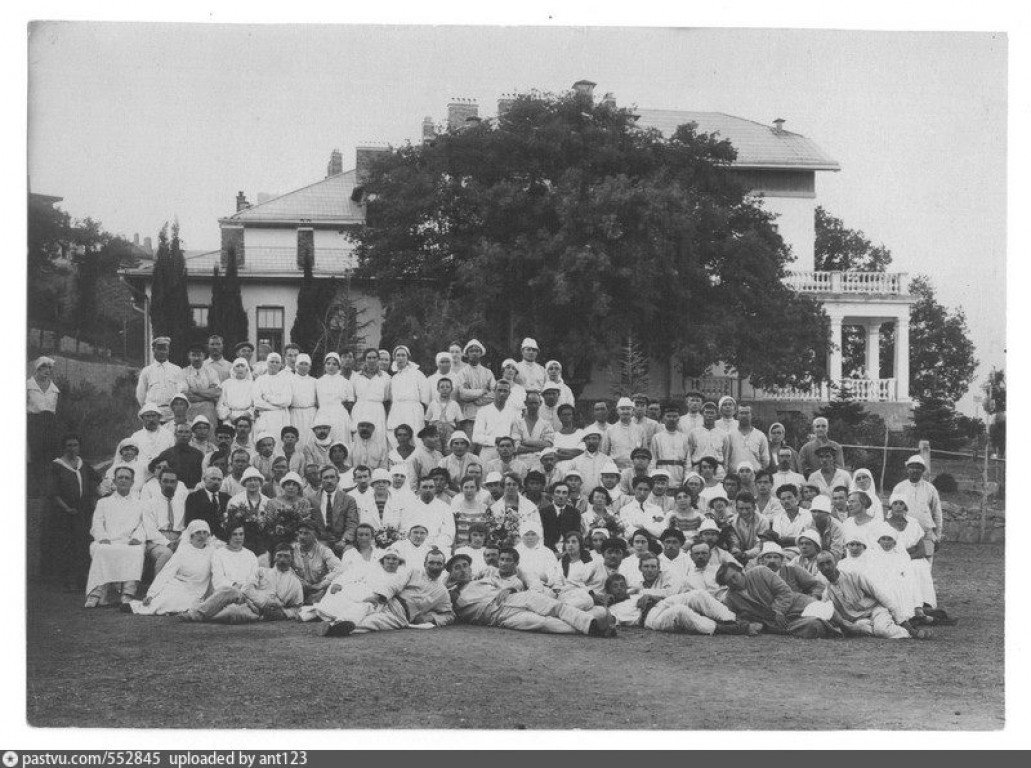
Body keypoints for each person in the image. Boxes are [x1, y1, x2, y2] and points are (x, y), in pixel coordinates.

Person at [446, 554, 616, 636]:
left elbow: (516, 583)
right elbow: (448, 605)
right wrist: (449, 584)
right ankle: (595, 624)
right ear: (451, 573)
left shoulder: (484, 579)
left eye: (465, 566)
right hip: (498, 617)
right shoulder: (451, 594)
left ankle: (591, 624)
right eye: (457, 568)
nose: (463, 570)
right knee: (541, 623)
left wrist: (510, 589)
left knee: (555, 607)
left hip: (515, 598)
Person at [321, 549, 455, 636]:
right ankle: (338, 622)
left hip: (401, 617)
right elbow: (394, 584)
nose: (435, 567)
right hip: (388, 601)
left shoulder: (442, 592)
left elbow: (449, 615)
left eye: (439, 564)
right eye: (431, 562)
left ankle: (334, 630)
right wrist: (377, 596)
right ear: (425, 563)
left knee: (371, 623)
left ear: (443, 566)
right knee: (364, 606)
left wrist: (432, 618)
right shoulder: (413, 572)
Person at [816, 551, 930, 639]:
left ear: (835, 562)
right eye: (822, 565)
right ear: (818, 568)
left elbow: (881, 596)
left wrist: (907, 626)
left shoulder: (854, 576)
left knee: (881, 630)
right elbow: (828, 616)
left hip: (876, 610)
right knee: (858, 627)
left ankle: (909, 632)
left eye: (829, 562)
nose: (826, 567)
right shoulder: (827, 594)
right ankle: (888, 625)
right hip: (860, 621)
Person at [717, 561, 839, 638]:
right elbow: (733, 618)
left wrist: (777, 610)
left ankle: (842, 625)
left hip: (796, 604)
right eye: (729, 582)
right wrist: (749, 625)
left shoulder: (760, 572)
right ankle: (831, 628)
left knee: (826, 610)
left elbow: (784, 591)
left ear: (740, 571)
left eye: (734, 577)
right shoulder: (731, 597)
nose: (734, 582)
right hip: (781, 623)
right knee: (815, 625)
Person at [84, 466, 146, 608]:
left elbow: (143, 525)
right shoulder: (103, 502)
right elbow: (97, 523)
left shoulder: (140, 504)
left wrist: (137, 537)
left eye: (127, 478)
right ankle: (96, 594)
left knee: (136, 551)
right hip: (107, 541)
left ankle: (127, 594)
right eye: (120, 477)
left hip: (129, 541)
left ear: (132, 482)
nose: (123, 480)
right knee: (101, 550)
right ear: (114, 481)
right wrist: (102, 537)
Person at [129, 519, 216, 615]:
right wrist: (151, 594)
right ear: (191, 535)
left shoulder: (212, 552)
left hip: (197, 590)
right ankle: (137, 607)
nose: (202, 536)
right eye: (198, 532)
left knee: (185, 602)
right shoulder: (183, 551)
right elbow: (166, 573)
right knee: (164, 600)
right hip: (177, 585)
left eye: (205, 533)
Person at [48, 434, 100, 591]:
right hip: (63, 514)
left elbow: (97, 479)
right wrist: (66, 508)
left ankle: (81, 580)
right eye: (69, 445)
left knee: (82, 545)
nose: (72, 448)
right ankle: (66, 581)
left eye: (75, 445)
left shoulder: (83, 464)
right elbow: (53, 493)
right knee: (66, 546)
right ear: (64, 447)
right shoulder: (57, 466)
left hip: (82, 512)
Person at [182, 522, 260, 623]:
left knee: (233, 611)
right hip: (224, 596)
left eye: (241, 534)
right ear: (229, 536)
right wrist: (234, 586)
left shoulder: (251, 555)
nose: (238, 538)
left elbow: (254, 580)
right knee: (231, 595)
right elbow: (218, 580)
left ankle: (202, 614)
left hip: (246, 597)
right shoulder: (219, 554)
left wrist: (243, 590)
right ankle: (206, 613)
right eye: (235, 534)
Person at [890, 454, 943, 561]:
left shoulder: (930, 489)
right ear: (907, 469)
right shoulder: (899, 488)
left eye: (918, 468)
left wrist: (937, 537)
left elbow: (937, 514)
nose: (915, 470)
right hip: (905, 533)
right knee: (906, 562)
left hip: (926, 534)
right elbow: (891, 512)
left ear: (923, 470)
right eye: (912, 467)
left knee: (926, 563)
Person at [27, 356, 61, 490]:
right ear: (37, 369)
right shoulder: (28, 386)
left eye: (49, 368)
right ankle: (35, 487)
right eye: (43, 367)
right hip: (33, 423)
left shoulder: (54, 389)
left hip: (50, 424)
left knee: (50, 454)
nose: (47, 371)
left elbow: (55, 409)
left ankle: (48, 487)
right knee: (34, 454)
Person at [387, 345, 430, 446]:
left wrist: (421, 408)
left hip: (413, 410)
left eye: (403, 355)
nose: (400, 358)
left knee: (415, 437)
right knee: (397, 437)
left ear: (407, 358)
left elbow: (425, 394)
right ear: (394, 358)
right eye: (398, 355)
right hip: (397, 410)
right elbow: (392, 397)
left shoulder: (417, 374)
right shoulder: (394, 378)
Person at [310, 466, 359, 555]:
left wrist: (344, 540)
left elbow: (352, 523)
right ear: (321, 480)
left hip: (342, 541)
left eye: (332, 477)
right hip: (321, 541)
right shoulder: (312, 499)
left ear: (338, 479)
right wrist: (317, 540)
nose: (329, 481)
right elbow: (310, 524)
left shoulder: (348, 500)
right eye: (326, 478)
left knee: (350, 552)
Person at [135, 337, 186, 422]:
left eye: (164, 349)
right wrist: (148, 410)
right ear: (153, 350)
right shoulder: (147, 371)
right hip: (154, 414)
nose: (162, 352)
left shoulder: (177, 370)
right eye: (159, 349)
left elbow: (182, 391)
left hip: (172, 414)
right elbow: (140, 394)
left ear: (168, 351)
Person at [291, 520, 342, 603]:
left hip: (318, 592)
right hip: (297, 590)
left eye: (306, 533)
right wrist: (298, 580)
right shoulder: (292, 549)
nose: (301, 537)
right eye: (300, 533)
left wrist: (322, 584)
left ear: (315, 535)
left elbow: (339, 569)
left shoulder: (324, 550)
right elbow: (284, 569)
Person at [351, 348, 392, 452]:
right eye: (369, 358)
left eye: (374, 358)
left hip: (377, 410)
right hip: (360, 409)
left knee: (378, 436)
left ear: (378, 359)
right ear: (365, 359)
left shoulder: (386, 377)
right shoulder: (356, 376)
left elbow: (386, 396)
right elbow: (353, 396)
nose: (372, 360)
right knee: (358, 437)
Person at [403, 476, 457, 551]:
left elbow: (449, 533)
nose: (428, 490)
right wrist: (414, 544)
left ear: (435, 489)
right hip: (412, 546)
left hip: (436, 548)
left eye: (431, 487)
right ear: (418, 489)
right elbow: (404, 528)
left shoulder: (445, 508)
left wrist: (435, 545)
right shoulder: (409, 506)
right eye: (425, 487)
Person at [751, 541, 824, 596]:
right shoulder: (757, 575)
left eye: (776, 557)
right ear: (762, 560)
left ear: (782, 560)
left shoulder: (793, 570)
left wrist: (814, 597)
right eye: (768, 557)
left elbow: (817, 585)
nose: (772, 560)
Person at [455, 339, 496, 436]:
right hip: (469, 416)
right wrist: (482, 391)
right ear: (467, 354)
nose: (474, 353)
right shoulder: (462, 373)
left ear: (481, 353)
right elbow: (463, 395)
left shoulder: (488, 372)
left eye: (477, 351)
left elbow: (494, 395)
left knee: (485, 442)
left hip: (486, 415)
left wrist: (475, 399)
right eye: (471, 351)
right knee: (470, 442)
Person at [315, 352, 356, 447]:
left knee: (339, 441)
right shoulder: (318, 382)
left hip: (340, 417)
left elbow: (350, 401)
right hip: (323, 415)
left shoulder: (345, 382)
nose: (331, 366)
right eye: (328, 363)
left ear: (339, 366)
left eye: (334, 364)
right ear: (324, 365)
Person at [472, 379, 519, 463]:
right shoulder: (483, 411)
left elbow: (516, 435)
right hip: (489, 452)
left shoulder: (513, 412)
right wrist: (495, 439)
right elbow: (476, 437)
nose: (502, 394)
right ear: (494, 391)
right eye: (499, 390)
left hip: (507, 453)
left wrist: (509, 444)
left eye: (505, 391)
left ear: (509, 393)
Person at [153, 422, 205, 490]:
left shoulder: (198, 454)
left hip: (193, 491)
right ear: (175, 434)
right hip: (172, 491)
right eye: (180, 432)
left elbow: (202, 475)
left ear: (191, 436)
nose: (183, 435)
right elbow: (152, 467)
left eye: (187, 432)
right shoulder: (167, 453)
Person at [184, 467, 230, 541]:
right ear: (204, 479)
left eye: (219, 479)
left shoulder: (227, 498)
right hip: (201, 537)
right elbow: (190, 522)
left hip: (223, 539)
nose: (216, 482)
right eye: (213, 479)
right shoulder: (194, 497)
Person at [687, 402, 731, 476]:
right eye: (707, 412)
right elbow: (688, 455)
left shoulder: (723, 434)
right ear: (702, 414)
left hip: (717, 468)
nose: (709, 415)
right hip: (698, 468)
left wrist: (725, 472)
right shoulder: (693, 433)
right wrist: (688, 473)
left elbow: (726, 456)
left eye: (712, 413)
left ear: (716, 415)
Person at [650, 405, 689, 487]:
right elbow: (652, 460)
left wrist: (686, 479)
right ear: (664, 419)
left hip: (678, 475)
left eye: (674, 416)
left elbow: (687, 462)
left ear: (678, 419)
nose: (671, 419)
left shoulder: (684, 438)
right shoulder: (657, 437)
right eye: (668, 416)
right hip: (661, 475)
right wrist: (652, 478)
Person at [769, 484, 815, 555]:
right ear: (780, 502)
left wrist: (788, 540)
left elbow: (808, 539)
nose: (786, 501)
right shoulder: (777, 518)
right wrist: (794, 539)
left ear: (796, 498)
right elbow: (778, 540)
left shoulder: (808, 515)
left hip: (802, 552)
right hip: (780, 552)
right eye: (783, 499)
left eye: (789, 497)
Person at [182, 344, 221, 424]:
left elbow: (216, 392)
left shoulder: (211, 372)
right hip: (190, 410)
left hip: (208, 411)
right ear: (189, 356)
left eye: (199, 355)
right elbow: (186, 395)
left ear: (204, 356)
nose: (196, 358)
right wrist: (208, 395)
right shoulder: (184, 372)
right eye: (193, 355)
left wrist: (195, 391)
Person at [128, 403, 175, 467]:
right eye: (148, 416)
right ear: (142, 418)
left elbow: (173, 456)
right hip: (141, 471)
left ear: (159, 417)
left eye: (153, 416)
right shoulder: (135, 436)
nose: (151, 419)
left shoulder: (168, 435)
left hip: (163, 470)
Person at [730, 491, 769, 565]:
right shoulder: (732, 522)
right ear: (736, 508)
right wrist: (736, 552)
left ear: (754, 507)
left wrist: (745, 555)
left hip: (758, 556)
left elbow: (760, 546)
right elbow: (734, 543)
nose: (744, 512)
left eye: (748, 508)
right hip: (739, 556)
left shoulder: (763, 521)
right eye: (741, 509)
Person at [452, 475, 490, 546]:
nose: (469, 490)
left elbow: (487, 532)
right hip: (461, 548)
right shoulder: (455, 509)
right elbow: (452, 532)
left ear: (477, 489)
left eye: (472, 487)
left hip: (480, 548)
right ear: (461, 489)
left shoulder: (484, 508)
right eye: (466, 487)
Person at [217, 359, 256, 424]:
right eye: (237, 366)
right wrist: (230, 416)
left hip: (248, 417)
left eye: (242, 366)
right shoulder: (226, 384)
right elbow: (220, 404)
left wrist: (246, 415)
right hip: (230, 417)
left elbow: (256, 404)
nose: (240, 368)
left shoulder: (253, 385)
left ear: (246, 369)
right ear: (233, 369)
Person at [811, 494, 846, 560]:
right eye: (814, 511)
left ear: (828, 513)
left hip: (832, 560)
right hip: (813, 559)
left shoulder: (837, 527)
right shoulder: (808, 525)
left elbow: (837, 553)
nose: (816, 514)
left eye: (820, 511)